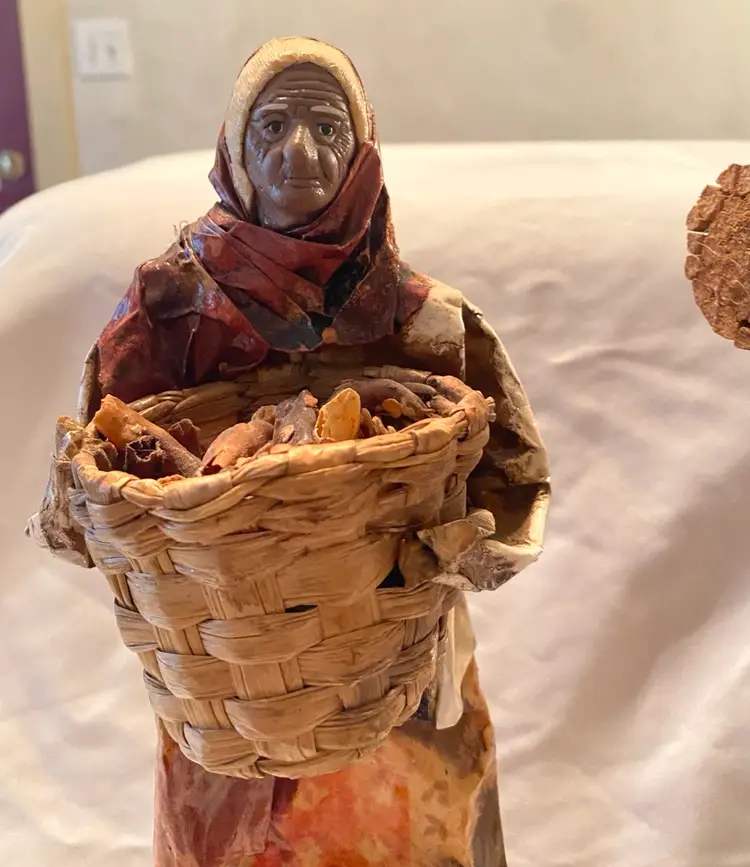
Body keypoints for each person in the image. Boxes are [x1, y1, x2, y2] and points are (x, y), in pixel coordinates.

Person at [84, 37, 550, 867]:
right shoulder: (169, 306)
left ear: (362, 150)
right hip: (231, 677)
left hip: (388, 665)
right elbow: (93, 479)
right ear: (235, 146)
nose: (299, 152)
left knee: (408, 828)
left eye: (328, 129)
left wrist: (445, 547)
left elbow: (513, 478)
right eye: (272, 126)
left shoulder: (427, 320)